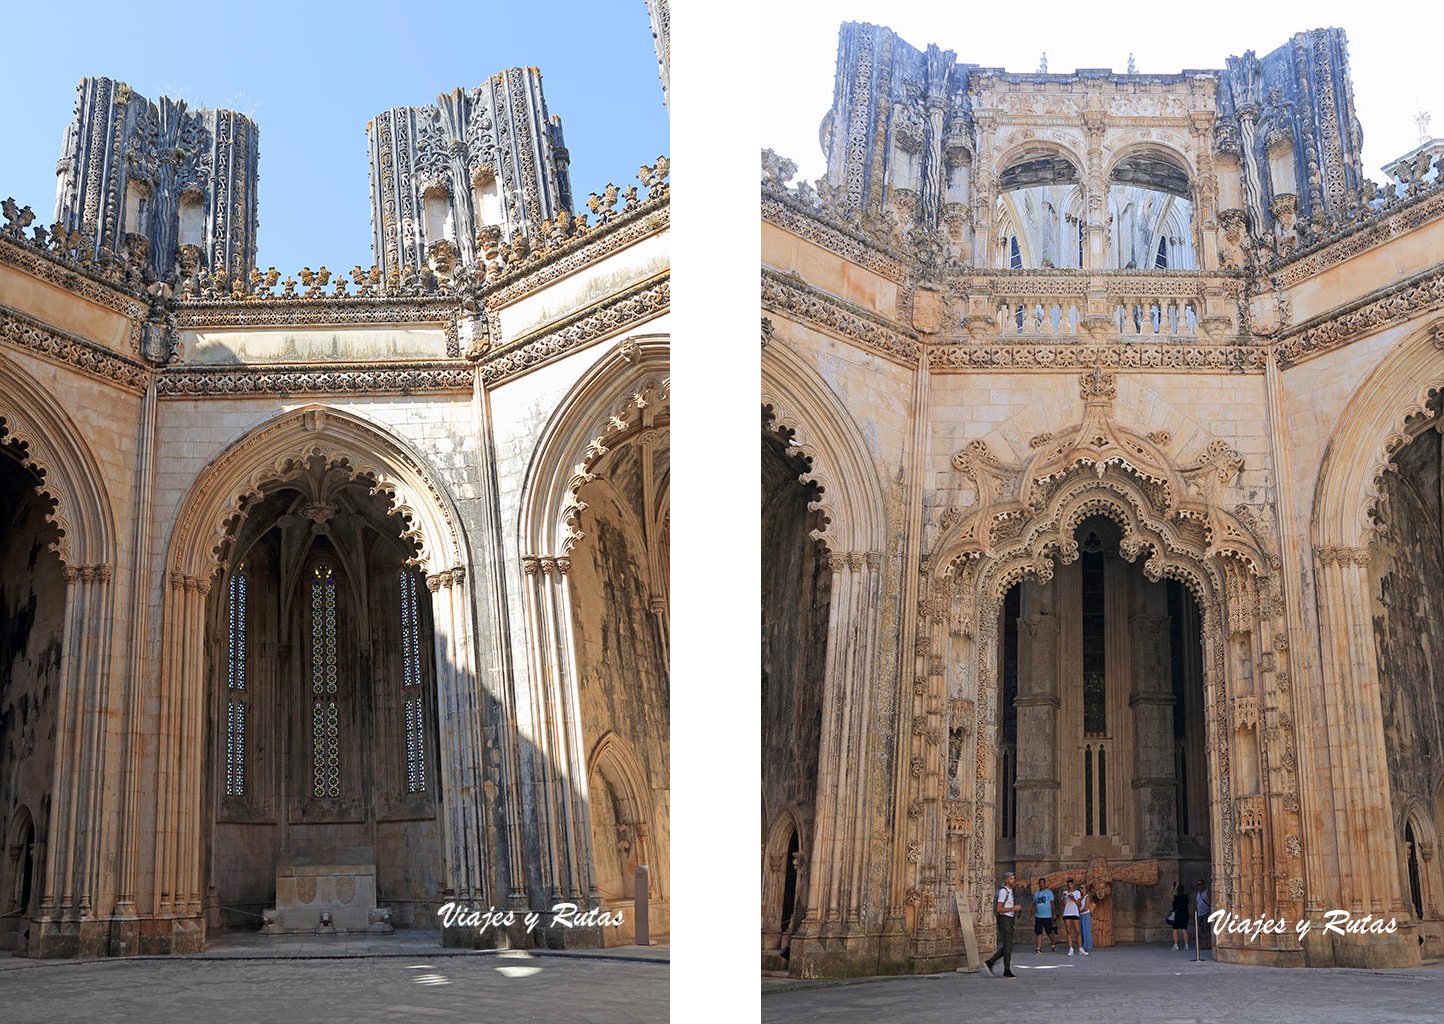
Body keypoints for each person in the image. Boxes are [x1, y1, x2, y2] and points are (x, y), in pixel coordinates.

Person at [984, 871, 1020, 977]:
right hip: (1004, 919)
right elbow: (999, 908)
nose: (1013, 880)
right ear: (1006, 880)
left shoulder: (1010, 891)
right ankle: (1006, 969)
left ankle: (991, 962)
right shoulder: (1004, 892)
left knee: (1008, 946)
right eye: (1011, 879)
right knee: (1007, 945)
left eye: (1014, 878)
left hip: (1009, 918)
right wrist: (1013, 908)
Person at [1060, 877, 1085, 956]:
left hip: (1075, 913)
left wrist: (1073, 898)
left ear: (1073, 884)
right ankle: (1071, 948)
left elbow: (1079, 904)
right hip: (1067, 913)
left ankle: (1080, 948)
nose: (1069, 885)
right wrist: (1064, 897)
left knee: (1078, 931)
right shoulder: (1065, 892)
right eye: (1068, 884)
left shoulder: (1077, 892)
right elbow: (1063, 905)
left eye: (1071, 884)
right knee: (1068, 931)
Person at [1033, 877, 1058, 952]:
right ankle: (1039, 947)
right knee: (1038, 932)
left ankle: (1053, 944)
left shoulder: (1049, 892)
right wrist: (1032, 913)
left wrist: (1054, 913)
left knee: (1049, 931)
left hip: (1047, 916)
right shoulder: (1036, 893)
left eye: (1043, 883)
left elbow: (1052, 903)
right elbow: (1034, 904)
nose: (1041, 884)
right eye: (1040, 883)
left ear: (1045, 884)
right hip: (1038, 915)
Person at [1169, 883, 1190, 950]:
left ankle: (1176, 945)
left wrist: (1172, 888)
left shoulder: (1175, 897)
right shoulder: (1186, 897)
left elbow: (1170, 895)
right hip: (1185, 915)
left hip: (1177, 915)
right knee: (1184, 929)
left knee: (1175, 930)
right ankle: (1186, 945)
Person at [1194, 879, 1211, 951]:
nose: (1199, 886)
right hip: (1199, 913)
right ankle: (1204, 944)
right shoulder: (1197, 893)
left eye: (1200, 884)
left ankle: (1209, 944)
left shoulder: (1207, 892)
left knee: (1206, 929)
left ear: (1203, 885)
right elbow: (1196, 903)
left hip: (1206, 913)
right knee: (1201, 930)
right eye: (1197, 885)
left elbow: (1211, 901)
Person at [1079, 882, 1095, 954]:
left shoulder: (1087, 897)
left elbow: (1086, 907)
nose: (1080, 889)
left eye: (1082, 888)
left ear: (1085, 889)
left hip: (1085, 914)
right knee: (1082, 931)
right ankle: (1083, 945)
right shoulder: (1081, 896)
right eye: (1080, 888)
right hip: (1082, 915)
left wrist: (1079, 912)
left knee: (1086, 930)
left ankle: (1086, 946)